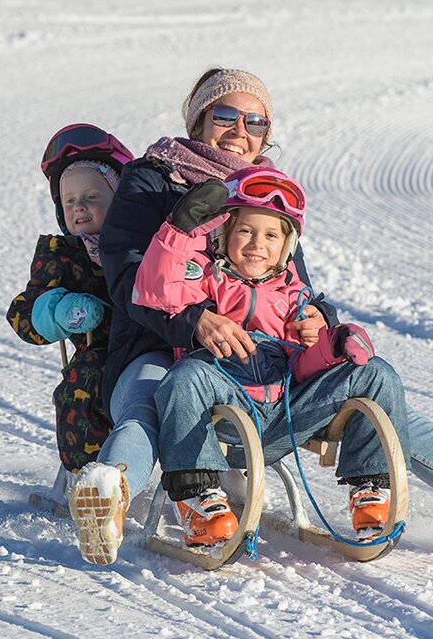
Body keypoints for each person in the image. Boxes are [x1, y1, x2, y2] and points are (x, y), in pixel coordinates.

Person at [69, 68, 433, 569]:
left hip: (264, 362)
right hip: (160, 346)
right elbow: (132, 279)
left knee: (382, 403)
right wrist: (196, 323)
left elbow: (294, 283)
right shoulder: (152, 179)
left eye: (254, 121)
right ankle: (108, 491)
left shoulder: (266, 191)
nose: (240, 131)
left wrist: (317, 323)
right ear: (199, 122)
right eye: (225, 116)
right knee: (149, 403)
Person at [134, 167, 404, 546]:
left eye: (271, 234)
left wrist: (326, 344)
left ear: (287, 246)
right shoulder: (207, 278)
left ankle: (371, 488)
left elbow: (305, 369)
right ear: (224, 234)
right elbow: (156, 292)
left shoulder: (296, 296)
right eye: (245, 231)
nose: (256, 244)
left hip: (288, 417)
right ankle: (199, 498)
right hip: (224, 414)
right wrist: (178, 231)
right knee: (185, 377)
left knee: (375, 372)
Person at [7, 123, 135, 495]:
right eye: (69, 200)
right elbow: (22, 313)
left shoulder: (142, 245)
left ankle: (215, 474)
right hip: (102, 352)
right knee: (81, 388)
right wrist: (60, 310)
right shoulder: (62, 255)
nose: (79, 206)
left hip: (152, 343)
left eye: (92, 196)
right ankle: (88, 480)